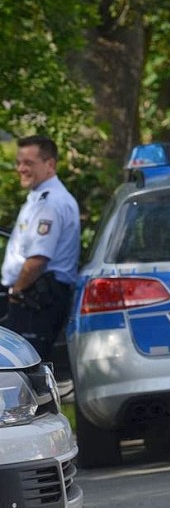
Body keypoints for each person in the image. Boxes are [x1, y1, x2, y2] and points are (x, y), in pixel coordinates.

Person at [1, 135, 80, 360]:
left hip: (35, 298)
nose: (21, 169)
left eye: (29, 163)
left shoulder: (50, 203)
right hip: (33, 296)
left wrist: (16, 293)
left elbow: (37, 259)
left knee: (25, 368)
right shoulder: (39, 198)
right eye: (19, 162)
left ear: (50, 165)